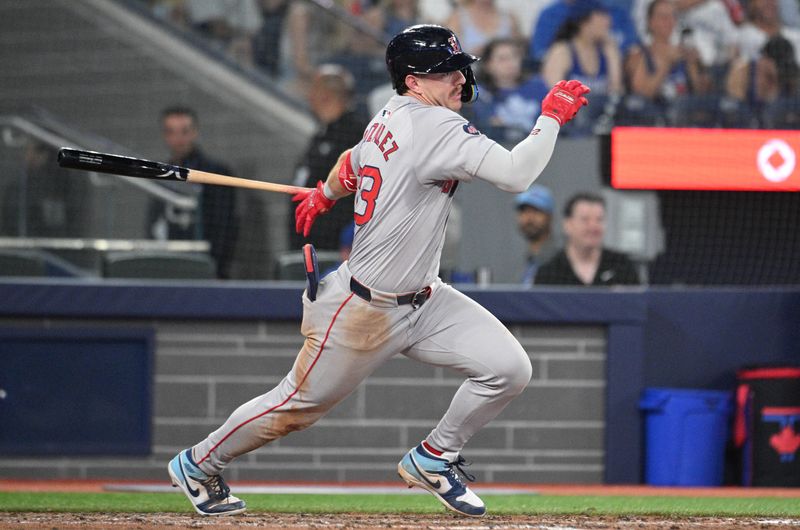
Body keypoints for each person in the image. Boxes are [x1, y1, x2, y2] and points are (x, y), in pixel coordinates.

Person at [167, 24, 589, 517]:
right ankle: (198, 463)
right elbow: (518, 174)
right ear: (413, 81)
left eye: (458, 68)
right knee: (294, 407)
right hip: (363, 309)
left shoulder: (391, 114)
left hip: (425, 299)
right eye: (445, 71)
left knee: (508, 369)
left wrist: (326, 192)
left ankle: (435, 456)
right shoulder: (436, 127)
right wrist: (551, 118)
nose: (459, 78)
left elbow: (353, 162)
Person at [147, 106, 239, 279]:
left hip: (206, 270)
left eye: (184, 131)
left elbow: (225, 229)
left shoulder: (215, 173)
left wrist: (214, 269)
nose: (178, 139)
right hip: (168, 269)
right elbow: (153, 223)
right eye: (171, 132)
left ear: (194, 133)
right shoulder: (160, 175)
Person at [288, 64, 364, 251]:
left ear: (327, 95)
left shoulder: (355, 134)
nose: (309, 97)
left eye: (314, 90)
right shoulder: (323, 132)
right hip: (309, 239)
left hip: (335, 246)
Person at [622, 0, 712, 124]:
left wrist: (694, 66)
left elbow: (698, 95)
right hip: (651, 122)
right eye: (663, 17)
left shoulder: (683, 53)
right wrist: (666, 64)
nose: (669, 22)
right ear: (650, 22)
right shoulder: (639, 55)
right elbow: (642, 96)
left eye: (672, 16)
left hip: (684, 121)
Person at [536, 192, 640, 286]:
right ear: (567, 225)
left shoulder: (623, 266)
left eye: (599, 220)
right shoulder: (549, 272)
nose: (593, 227)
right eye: (585, 219)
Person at [470, 37, 551, 144]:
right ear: (488, 65)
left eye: (514, 57)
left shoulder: (538, 87)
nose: (511, 63)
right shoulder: (480, 94)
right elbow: (487, 126)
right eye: (503, 59)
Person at [514, 185, 556, 286]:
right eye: (523, 211)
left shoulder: (560, 259)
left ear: (549, 216)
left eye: (536, 211)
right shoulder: (524, 260)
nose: (529, 218)